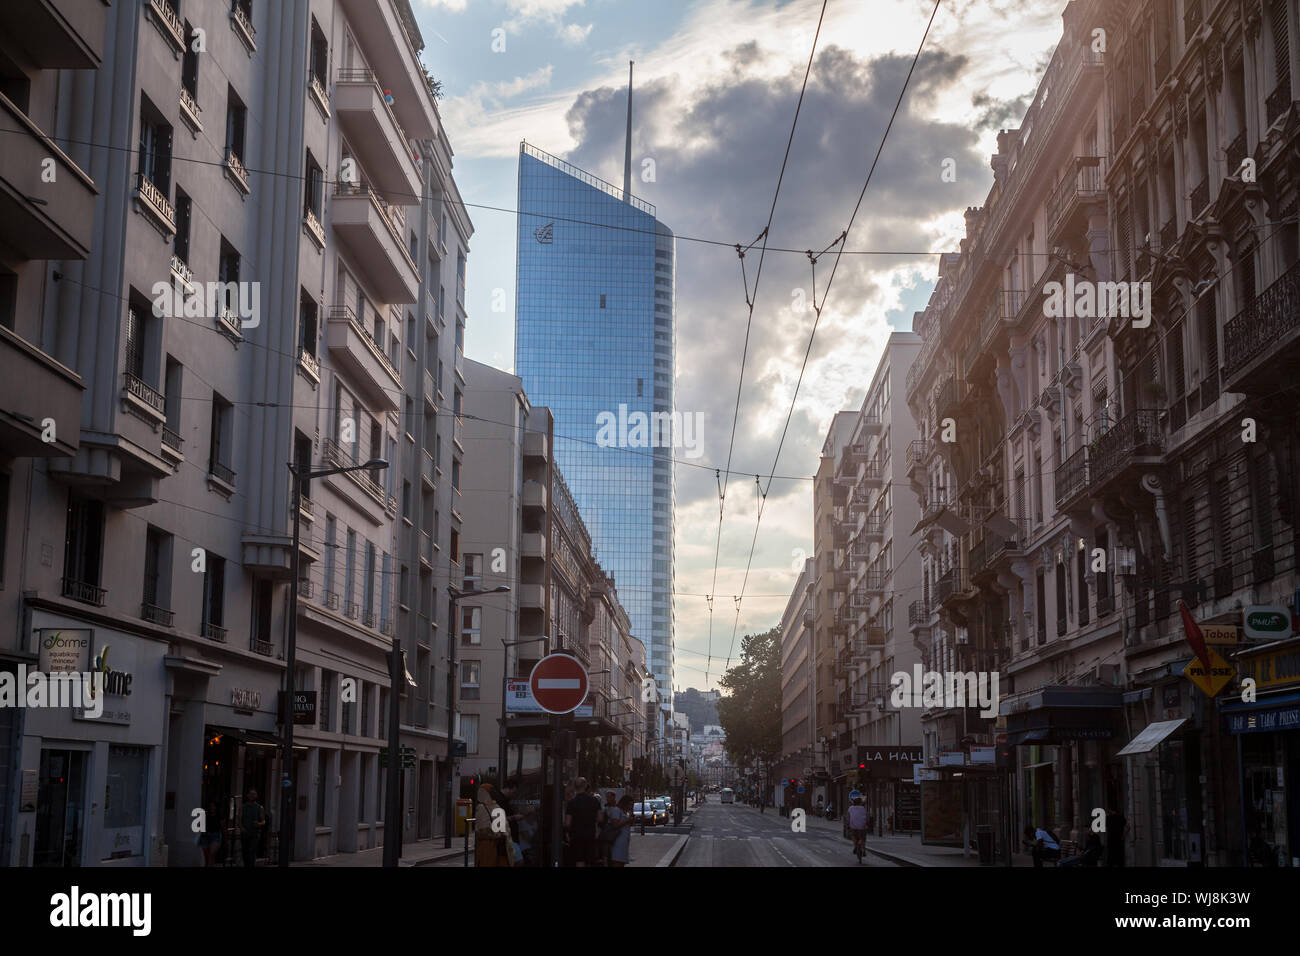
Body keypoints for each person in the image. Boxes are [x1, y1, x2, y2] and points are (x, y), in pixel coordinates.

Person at [564, 777, 602, 867]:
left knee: (579, 859)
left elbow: (567, 823)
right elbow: (600, 818)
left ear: (574, 787)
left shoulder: (572, 803)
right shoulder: (594, 800)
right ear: (585, 786)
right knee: (589, 859)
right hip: (590, 833)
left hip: (576, 835)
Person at [474, 781, 512, 867]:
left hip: (489, 847)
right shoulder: (496, 806)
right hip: (499, 846)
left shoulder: (482, 808)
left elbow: (482, 830)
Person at [604, 794, 635, 867]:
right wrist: (627, 820)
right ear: (625, 803)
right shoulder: (616, 810)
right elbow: (615, 825)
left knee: (621, 863)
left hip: (623, 842)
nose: (630, 807)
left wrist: (631, 820)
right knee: (617, 862)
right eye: (629, 804)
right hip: (617, 842)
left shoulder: (625, 812)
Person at [498, 777, 524, 864]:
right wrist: (514, 817)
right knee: (519, 862)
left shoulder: (505, 800)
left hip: (510, 838)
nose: (514, 795)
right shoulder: (500, 801)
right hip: (508, 838)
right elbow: (499, 820)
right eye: (513, 792)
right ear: (508, 789)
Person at [240, 790, 265, 868]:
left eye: (254, 794)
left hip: (255, 833)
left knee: (252, 851)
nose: (252, 795)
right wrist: (242, 828)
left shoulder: (259, 807)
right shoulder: (243, 807)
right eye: (250, 794)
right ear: (247, 795)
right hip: (245, 832)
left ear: (256, 796)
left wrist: (259, 824)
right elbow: (239, 819)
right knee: (245, 852)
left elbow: (263, 821)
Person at [199, 801, 222, 867]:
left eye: (213, 806)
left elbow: (223, 827)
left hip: (215, 835)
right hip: (206, 836)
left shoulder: (219, 816)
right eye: (211, 806)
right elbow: (201, 825)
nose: (212, 807)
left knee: (212, 854)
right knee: (206, 855)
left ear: (216, 807)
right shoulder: (205, 815)